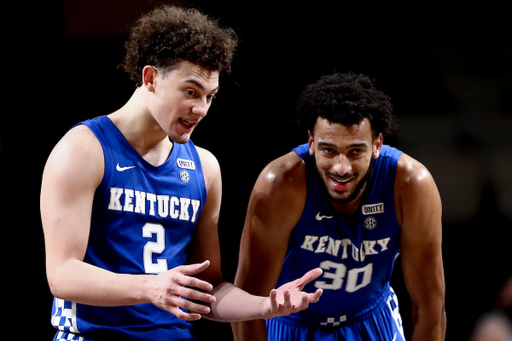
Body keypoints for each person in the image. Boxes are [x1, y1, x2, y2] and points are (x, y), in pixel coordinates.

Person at [40, 6, 322, 341]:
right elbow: (61, 274)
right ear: (150, 78)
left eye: (210, 97)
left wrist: (265, 307)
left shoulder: (204, 167)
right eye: (191, 92)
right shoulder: (84, 150)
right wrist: (150, 286)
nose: (201, 109)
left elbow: (210, 288)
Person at [232, 72, 446, 340]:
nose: (341, 168)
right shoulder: (280, 184)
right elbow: (249, 303)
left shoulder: (411, 184)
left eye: (355, 151)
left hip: (371, 320)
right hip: (292, 323)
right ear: (311, 143)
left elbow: (429, 307)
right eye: (329, 150)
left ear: (377, 144)